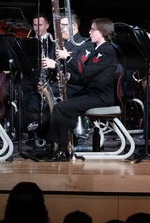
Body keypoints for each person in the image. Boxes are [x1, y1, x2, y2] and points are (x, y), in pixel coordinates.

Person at [38, 18, 119, 161]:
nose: (90, 32)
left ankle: (61, 150)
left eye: (93, 29)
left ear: (103, 32)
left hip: (101, 97)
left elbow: (86, 72)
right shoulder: (98, 49)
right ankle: (58, 146)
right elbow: (86, 76)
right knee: (62, 107)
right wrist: (69, 77)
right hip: (92, 94)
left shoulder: (106, 50)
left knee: (61, 108)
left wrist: (68, 57)